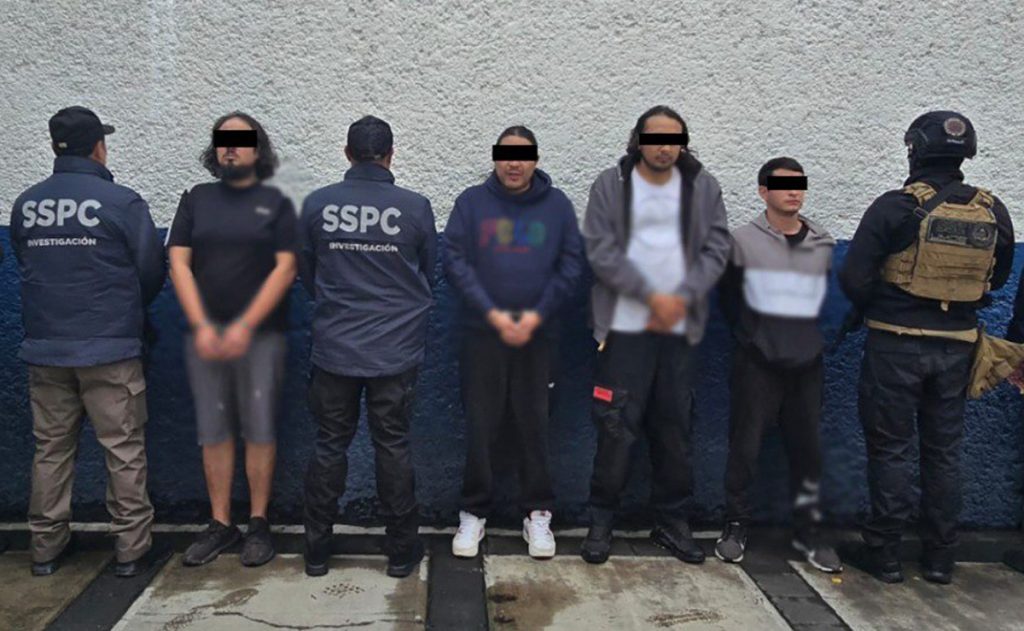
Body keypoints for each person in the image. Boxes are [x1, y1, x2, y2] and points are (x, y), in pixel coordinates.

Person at [839, 111, 1014, 585]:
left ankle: (885, 554)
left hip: (895, 344)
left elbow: (853, 276)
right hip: (958, 348)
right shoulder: (993, 211)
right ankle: (939, 559)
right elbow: (998, 278)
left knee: (891, 449)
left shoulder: (895, 207)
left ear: (914, 150)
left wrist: (885, 301)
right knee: (944, 452)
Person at [10, 106, 165, 577]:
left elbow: (23, 261)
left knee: (51, 449)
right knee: (123, 447)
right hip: (110, 348)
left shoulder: (27, 204)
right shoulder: (121, 202)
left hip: (46, 348)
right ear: (99, 146)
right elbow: (151, 271)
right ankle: (131, 549)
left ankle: (45, 548)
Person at [580, 105, 730, 564]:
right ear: (638, 140)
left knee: (674, 427)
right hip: (624, 328)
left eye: (673, 139)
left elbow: (717, 247)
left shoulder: (704, 186)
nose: (664, 147)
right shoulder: (611, 184)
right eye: (655, 138)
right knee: (615, 427)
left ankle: (672, 522)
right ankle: (601, 520)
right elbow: (600, 249)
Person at [300, 115, 437, 578]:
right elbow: (427, 274)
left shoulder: (318, 204)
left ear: (347, 153)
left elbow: (308, 274)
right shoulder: (415, 208)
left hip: (335, 348)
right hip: (394, 351)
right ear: (391, 155)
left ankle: (316, 551)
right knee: (392, 445)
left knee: (329, 445)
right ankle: (401, 552)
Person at [443, 126, 584, 559]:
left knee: (534, 425)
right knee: (480, 425)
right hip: (482, 336)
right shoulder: (471, 203)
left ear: (535, 160)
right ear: (495, 158)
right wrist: (494, 315)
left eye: (523, 155)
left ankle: (537, 513)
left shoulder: (557, 206)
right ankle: (474, 512)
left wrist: (535, 316)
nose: (514, 163)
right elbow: (455, 261)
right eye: (506, 154)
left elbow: (571, 264)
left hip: (539, 339)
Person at [167, 112, 297, 568]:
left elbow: (286, 268)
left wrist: (244, 326)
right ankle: (221, 524)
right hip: (207, 338)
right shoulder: (196, 200)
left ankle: (258, 524)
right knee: (215, 430)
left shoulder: (277, 203)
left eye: (240, 140)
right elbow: (178, 263)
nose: (230, 146)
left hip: (262, 337)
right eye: (223, 139)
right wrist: (203, 325)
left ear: (258, 150)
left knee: (259, 428)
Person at [714, 157, 841, 573]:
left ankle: (810, 531)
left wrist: (818, 342)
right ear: (763, 192)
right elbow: (729, 298)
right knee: (745, 446)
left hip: (807, 363)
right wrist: (751, 338)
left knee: (807, 449)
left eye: (799, 184)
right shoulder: (741, 241)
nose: (793, 192)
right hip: (757, 361)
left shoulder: (821, 241)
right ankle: (735, 525)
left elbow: (827, 300)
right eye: (783, 185)